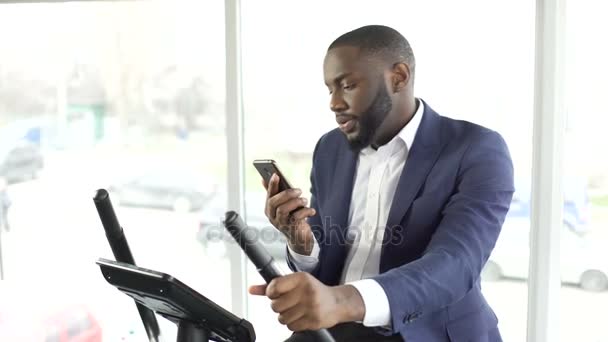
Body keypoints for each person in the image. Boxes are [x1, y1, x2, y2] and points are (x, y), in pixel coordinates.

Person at [251, 25, 514, 342]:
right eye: (330, 90)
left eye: (347, 85)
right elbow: (326, 260)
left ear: (399, 77)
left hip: (425, 331)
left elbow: (455, 264)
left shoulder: (476, 149)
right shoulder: (330, 148)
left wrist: (342, 301)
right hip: (335, 330)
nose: (334, 103)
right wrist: (302, 243)